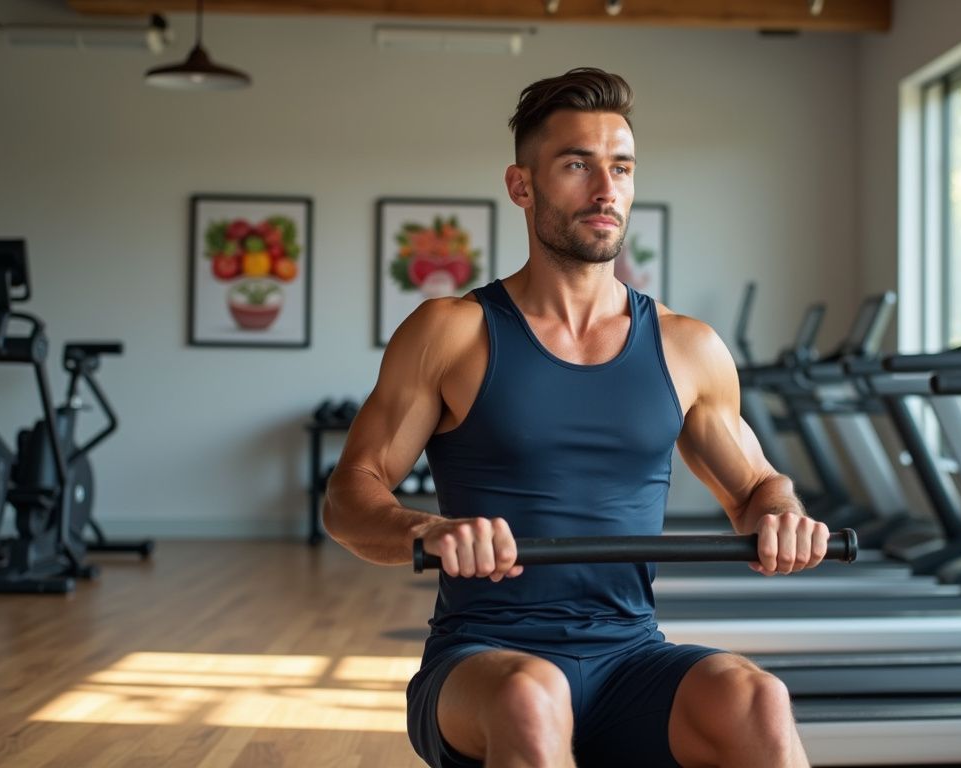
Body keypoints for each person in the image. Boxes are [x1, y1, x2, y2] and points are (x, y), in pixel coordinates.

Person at [324, 67, 829, 768]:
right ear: (521, 186)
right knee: (532, 696)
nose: (605, 190)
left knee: (757, 698)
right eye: (576, 165)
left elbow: (755, 489)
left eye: (620, 168)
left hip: (631, 656)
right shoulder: (452, 333)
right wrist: (429, 530)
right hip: (484, 662)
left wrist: (783, 514)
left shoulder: (688, 347)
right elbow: (351, 494)